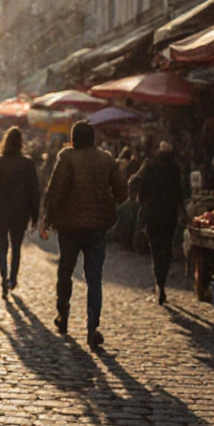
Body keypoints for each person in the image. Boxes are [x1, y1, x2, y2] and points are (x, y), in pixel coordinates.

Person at [41, 121, 129, 347]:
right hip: (97, 228)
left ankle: (63, 315)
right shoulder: (106, 159)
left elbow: (56, 191)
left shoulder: (66, 157)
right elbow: (122, 191)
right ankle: (92, 327)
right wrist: (110, 199)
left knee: (65, 271)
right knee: (94, 278)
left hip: (69, 227)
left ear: (73, 139)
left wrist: (48, 219)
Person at [0, 127, 40, 299]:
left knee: (2, 247)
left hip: (1, 210)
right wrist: (35, 217)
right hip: (20, 212)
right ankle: (12, 279)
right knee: (16, 248)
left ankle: (3, 279)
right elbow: (34, 192)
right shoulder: (28, 163)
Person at [132, 141, 185, 305]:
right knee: (166, 249)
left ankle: (159, 284)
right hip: (169, 215)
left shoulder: (149, 166)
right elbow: (179, 193)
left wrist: (138, 199)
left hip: (152, 214)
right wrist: (183, 211)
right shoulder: (175, 169)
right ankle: (161, 283)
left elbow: (133, 181)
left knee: (155, 250)